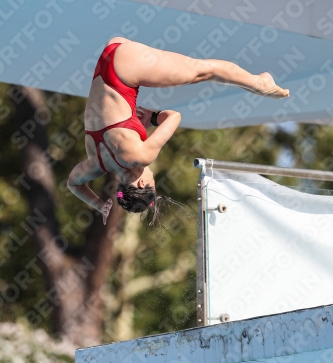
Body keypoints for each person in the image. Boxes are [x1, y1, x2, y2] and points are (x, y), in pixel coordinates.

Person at [67, 37, 289, 225]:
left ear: (142, 184)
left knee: (202, 72)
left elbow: (174, 117)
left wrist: (154, 117)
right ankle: (256, 82)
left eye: (153, 180)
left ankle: (259, 83)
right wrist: (98, 204)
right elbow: (73, 184)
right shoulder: (97, 164)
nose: (152, 173)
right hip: (109, 57)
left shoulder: (141, 156)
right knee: (196, 71)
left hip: (124, 69)